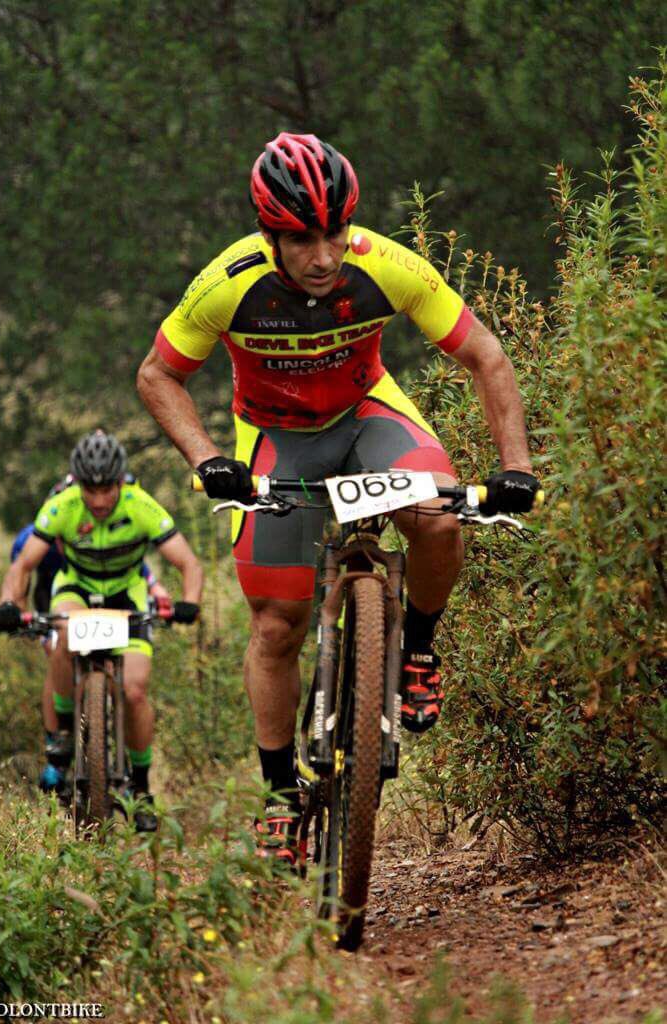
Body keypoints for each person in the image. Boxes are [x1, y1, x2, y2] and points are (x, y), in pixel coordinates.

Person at [136, 133, 539, 863]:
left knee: (439, 519)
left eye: (334, 232)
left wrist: (515, 466)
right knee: (276, 627)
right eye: (300, 239)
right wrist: (207, 459)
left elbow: (485, 355)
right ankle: (280, 798)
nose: (322, 256)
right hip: (274, 438)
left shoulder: (383, 265)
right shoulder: (228, 282)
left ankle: (417, 647)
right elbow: (157, 376)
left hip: (367, 419)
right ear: (269, 234)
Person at [0, 430, 204, 831]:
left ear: (120, 481)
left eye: (108, 488)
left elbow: (189, 563)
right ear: (78, 484)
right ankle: (61, 741)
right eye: (92, 490)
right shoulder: (62, 507)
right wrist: (8, 604)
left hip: (127, 595)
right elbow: (21, 567)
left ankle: (141, 788)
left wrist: (189, 601)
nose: (101, 500)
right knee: (62, 638)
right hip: (77, 590)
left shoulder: (140, 505)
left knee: (135, 690)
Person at [10, 503, 173, 794]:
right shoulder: (33, 538)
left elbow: (136, 568)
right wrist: (23, 618)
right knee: (58, 651)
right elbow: (20, 580)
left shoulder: (108, 532)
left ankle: (108, 724)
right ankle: (56, 748)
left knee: (119, 664)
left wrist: (156, 588)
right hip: (54, 594)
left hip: (106, 590)